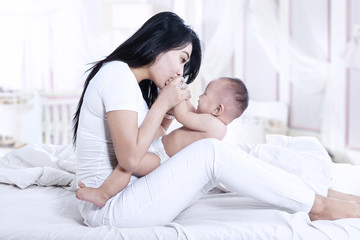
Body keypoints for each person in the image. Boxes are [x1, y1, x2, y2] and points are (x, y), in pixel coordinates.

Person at [73, 11, 360, 228]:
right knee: (212, 153)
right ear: (159, 45)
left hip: (131, 190)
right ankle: (318, 205)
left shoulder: (127, 83)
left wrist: (166, 110)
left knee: (242, 155)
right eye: (183, 59)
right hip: (111, 208)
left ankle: (325, 193)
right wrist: (163, 103)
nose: (182, 72)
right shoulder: (117, 75)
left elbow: (149, 140)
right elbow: (131, 160)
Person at [76, 77, 249, 207]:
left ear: (217, 109)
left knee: (128, 165)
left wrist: (176, 96)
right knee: (130, 153)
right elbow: (190, 111)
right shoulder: (209, 120)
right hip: (159, 149)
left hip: (163, 160)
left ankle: (103, 194)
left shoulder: (215, 126)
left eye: (204, 94)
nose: (200, 96)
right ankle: (110, 188)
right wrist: (181, 94)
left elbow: (183, 116)